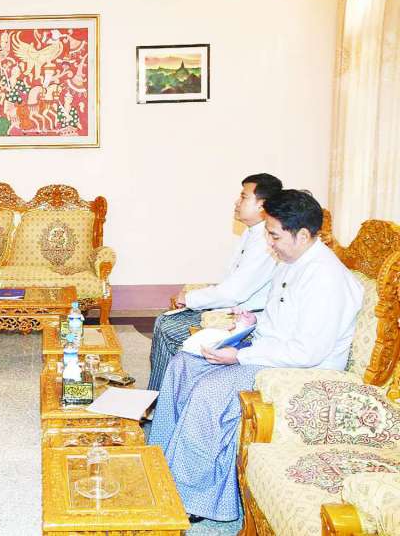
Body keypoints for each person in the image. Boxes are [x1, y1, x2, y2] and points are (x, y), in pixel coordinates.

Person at [148, 189, 364, 523]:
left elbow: (307, 352)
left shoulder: (325, 277)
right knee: (183, 364)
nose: (269, 243)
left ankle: (192, 497)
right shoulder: (293, 261)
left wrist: (240, 356)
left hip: (298, 371)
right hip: (270, 352)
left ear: (302, 235)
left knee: (210, 392)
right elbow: (283, 320)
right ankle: (162, 460)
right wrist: (252, 322)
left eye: (274, 235)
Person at [147, 173, 283, 391]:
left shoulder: (265, 241)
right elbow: (231, 284)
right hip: (236, 308)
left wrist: (189, 299)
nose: (236, 202)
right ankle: (164, 393)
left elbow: (233, 293)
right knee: (165, 321)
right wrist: (191, 299)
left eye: (243, 197)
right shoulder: (253, 233)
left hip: (249, 319)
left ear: (262, 205)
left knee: (168, 327)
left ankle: (159, 397)